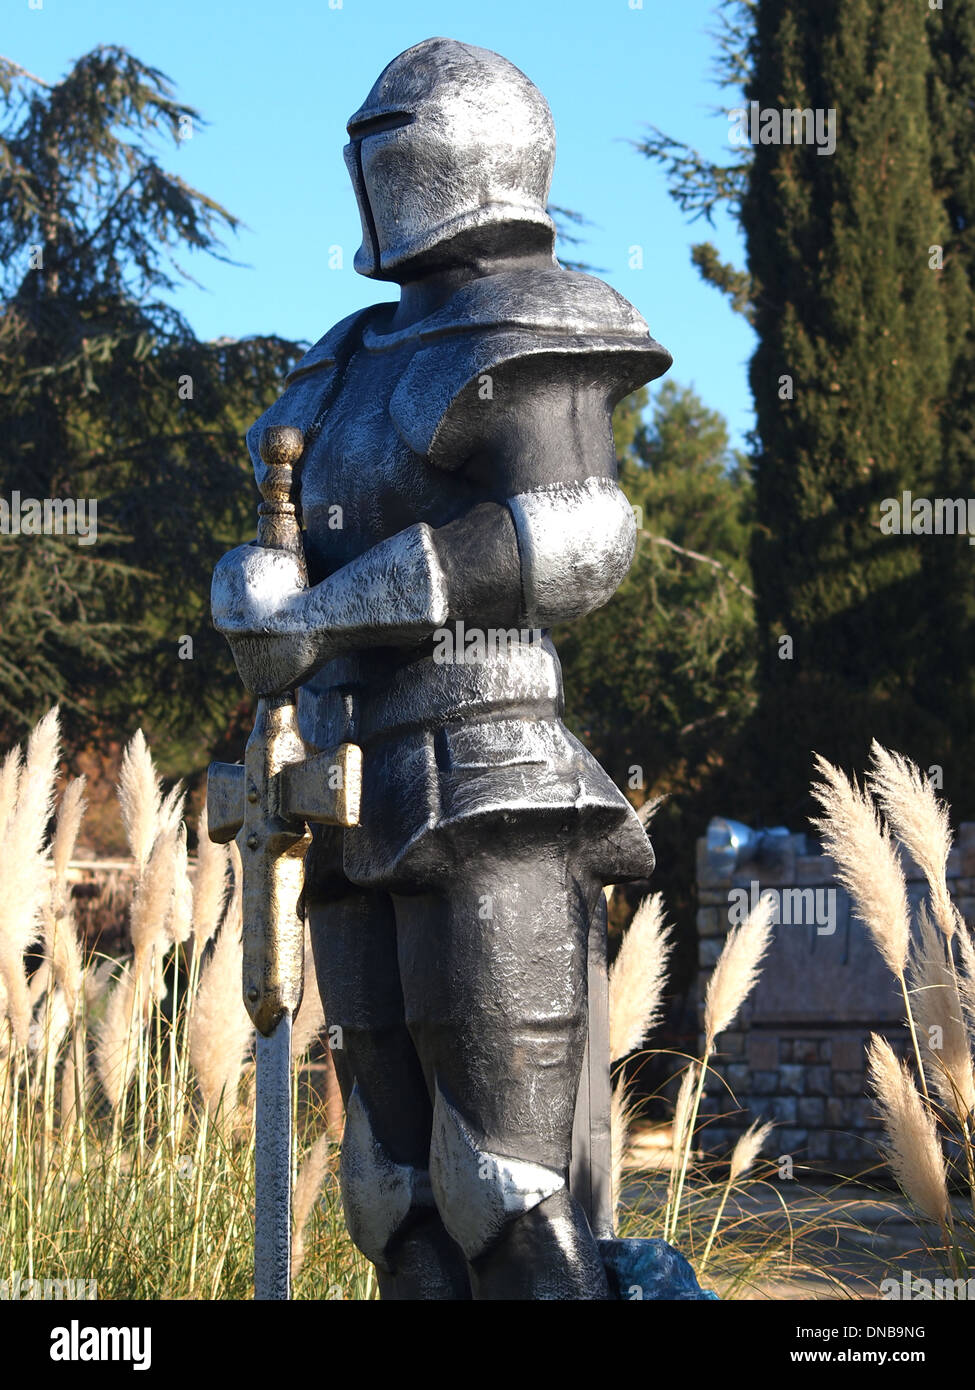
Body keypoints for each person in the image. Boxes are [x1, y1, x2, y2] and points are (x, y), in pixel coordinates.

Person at [212, 36, 672, 1299]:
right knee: (392, 1195)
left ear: (442, 158)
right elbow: (289, 568)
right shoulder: (341, 359)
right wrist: (255, 603)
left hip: (491, 775)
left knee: (501, 1186)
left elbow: (576, 537)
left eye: (385, 149)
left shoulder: (533, 320)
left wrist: (326, 614)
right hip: (345, 786)